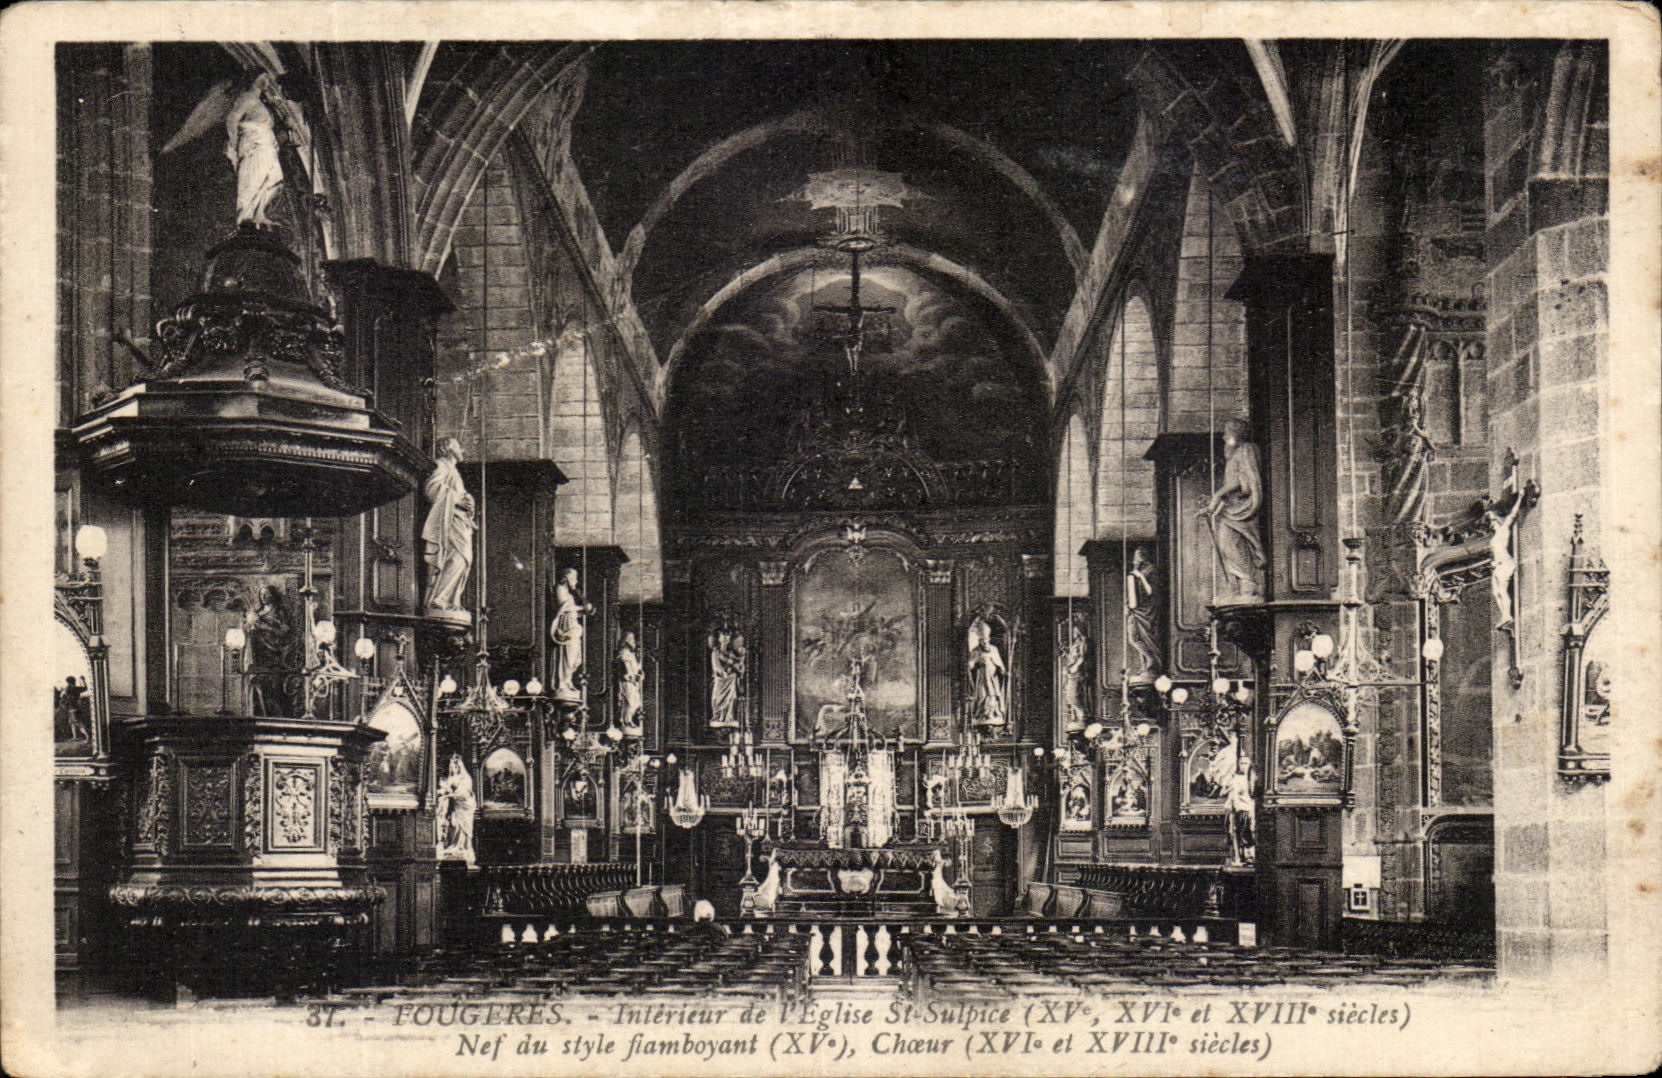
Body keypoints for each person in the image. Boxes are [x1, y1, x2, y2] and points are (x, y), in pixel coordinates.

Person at [1199, 419, 1266, 600]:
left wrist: (1218, 495)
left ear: (1237, 433)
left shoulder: (1246, 450)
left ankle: (1249, 585)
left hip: (1242, 509)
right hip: (1231, 509)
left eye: (1227, 433)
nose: (1224, 437)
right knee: (1225, 545)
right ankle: (1237, 585)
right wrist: (1212, 508)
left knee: (1231, 545)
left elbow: (1243, 481)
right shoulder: (1236, 453)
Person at [421, 438, 475, 620]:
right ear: (449, 448)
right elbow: (431, 489)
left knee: (463, 559)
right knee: (457, 558)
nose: (463, 450)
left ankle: (452, 600)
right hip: (449, 521)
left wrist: (468, 502)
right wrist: (457, 499)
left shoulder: (453, 470)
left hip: (460, 521)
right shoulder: (441, 465)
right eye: (459, 446)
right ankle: (439, 599)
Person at [246, 584, 292, 716]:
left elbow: (285, 631)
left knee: (274, 687)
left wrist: (266, 628)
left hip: (274, 652)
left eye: (266, 594)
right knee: (260, 684)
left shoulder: (279, 612)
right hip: (259, 652)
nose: (264, 597)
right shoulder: (257, 614)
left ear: (273, 595)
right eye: (261, 595)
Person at [550, 568, 592, 701]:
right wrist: (582, 608)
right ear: (567, 578)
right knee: (568, 657)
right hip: (566, 627)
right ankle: (562, 683)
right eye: (574, 578)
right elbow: (564, 608)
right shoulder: (560, 588)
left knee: (576, 658)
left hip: (573, 625)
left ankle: (568, 681)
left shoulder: (569, 593)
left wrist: (584, 612)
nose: (576, 581)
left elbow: (571, 611)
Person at [1125, 546, 1161, 682]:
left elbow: (1150, 591)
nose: (1134, 560)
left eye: (1137, 556)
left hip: (1147, 611)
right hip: (1137, 610)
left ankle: (1151, 662)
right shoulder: (1137, 572)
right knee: (1134, 637)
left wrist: (1140, 577)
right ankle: (1146, 664)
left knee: (1141, 637)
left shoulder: (1151, 570)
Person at [436, 754, 476, 863]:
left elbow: (463, 793)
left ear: (459, 766)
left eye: (455, 766)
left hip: (464, 807)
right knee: (452, 825)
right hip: (453, 807)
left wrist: (451, 795)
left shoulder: (465, 778)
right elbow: (445, 789)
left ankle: (462, 847)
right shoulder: (450, 778)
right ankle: (452, 846)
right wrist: (443, 793)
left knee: (462, 827)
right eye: (451, 766)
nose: (453, 768)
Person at [967, 617, 1007, 726]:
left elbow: (998, 662)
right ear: (980, 641)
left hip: (993, 677)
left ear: (989, 639)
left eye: (986, 640)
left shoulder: (993, 649)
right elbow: (971, 663)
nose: (985, 642)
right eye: (982, 640)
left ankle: (992, 713)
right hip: (981, 677)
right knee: (982, 695)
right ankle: (981, 714)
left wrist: (1002, 669)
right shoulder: (976, 651)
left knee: (993, 694)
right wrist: (971, 664)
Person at [1225, 753, 1257, 866]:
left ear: (1249, 765)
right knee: (1241, 833)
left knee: (1250, 832)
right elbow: (1232, 795)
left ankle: (1250, 856)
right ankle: (1242, 857)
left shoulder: (1252, 778)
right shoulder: (1236, 778)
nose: (1243, 766)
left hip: (1250, 809)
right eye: (1241, 764)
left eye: (1245, 764)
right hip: (1240, 809)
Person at [708, 629, 742, 729]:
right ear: (719, 638)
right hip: (720, 679)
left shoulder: (731, 652)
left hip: (730, 680)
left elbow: (736, 665)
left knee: (731, 699)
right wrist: (723, 673)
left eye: (728, 636)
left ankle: (728, 717)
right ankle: (718, 717)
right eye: (723, 636)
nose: (725, 638)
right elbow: (716, 665)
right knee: (716, 698)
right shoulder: (716, 651)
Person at [616, 631, 645, 737]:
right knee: (631, 702)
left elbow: (637, 669)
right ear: (627, 641)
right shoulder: (625, 652)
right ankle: (627, 721)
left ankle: (628, 721)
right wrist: (631, 676)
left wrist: (640, 673)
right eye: (632, 639)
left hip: (633, 682)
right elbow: (626, 668)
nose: (634, 642)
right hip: (627, 681)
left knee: (636, 703)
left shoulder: (632, 654)